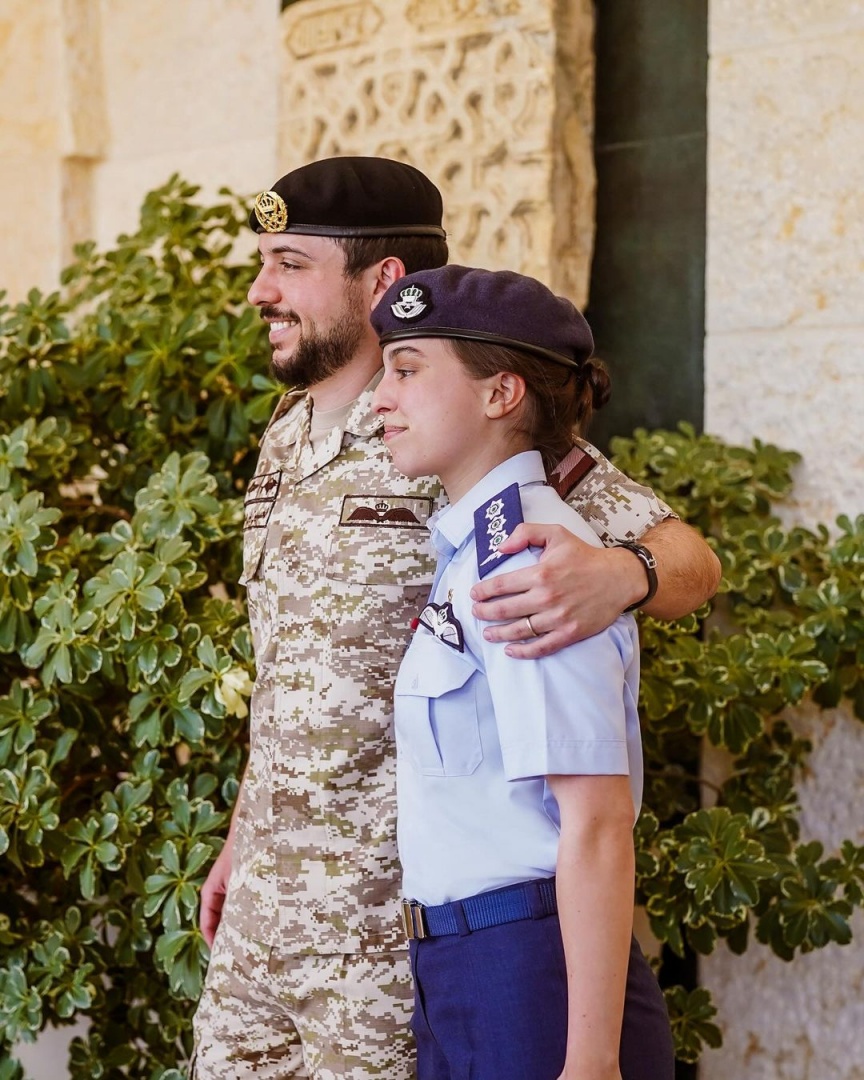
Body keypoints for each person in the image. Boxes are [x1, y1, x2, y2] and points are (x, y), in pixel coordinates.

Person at [192, 157, 719, 1079]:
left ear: (380, 280)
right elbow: (288, 666)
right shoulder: (285, 431)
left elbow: (692, 560)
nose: (259, 289)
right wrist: (244, 836)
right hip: (265, 917)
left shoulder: (466, 424)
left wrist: (618, 575)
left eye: (290, 264)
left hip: (390, 938)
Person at [370, 264, 674, 1080]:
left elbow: (597, 822)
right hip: (465, 971)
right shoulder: (472, 548)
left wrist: (590, 1062)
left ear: (501, 394)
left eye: (408, 370)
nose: (380, 398)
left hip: (533, 976)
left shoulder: (532, 557)